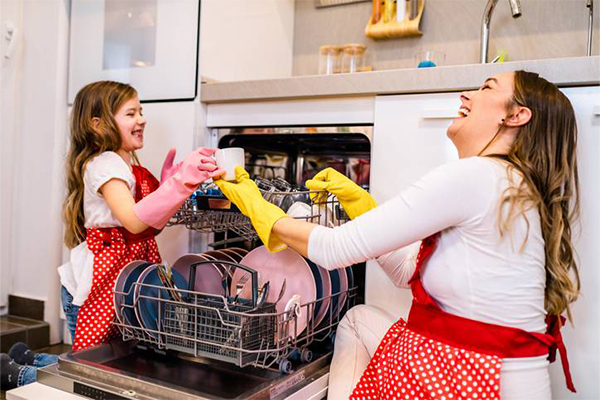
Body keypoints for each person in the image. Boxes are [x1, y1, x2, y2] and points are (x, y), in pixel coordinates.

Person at [214, 70, 580, 399]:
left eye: (486, 87)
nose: (466, 96)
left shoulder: (477, 175)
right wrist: (363, 209)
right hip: (500, 373)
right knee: (357, 320)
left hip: (476, 379)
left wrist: (257, 206)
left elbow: (333, 248)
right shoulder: (514, 185)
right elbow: (409, 272)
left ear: (516, 116)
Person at [0, 80, 222, 390]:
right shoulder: (105, 166)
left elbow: (150, 222)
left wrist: (172, 186)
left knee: (109, 362)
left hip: (120, 281)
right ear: (98, 124)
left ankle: (31, 358)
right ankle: (16, 374)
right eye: (131, 113)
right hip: (99, 286)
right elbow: (133, 221)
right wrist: (178, 185)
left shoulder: (127, 164)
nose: (142, 119)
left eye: (140, 111)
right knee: (90, 376)